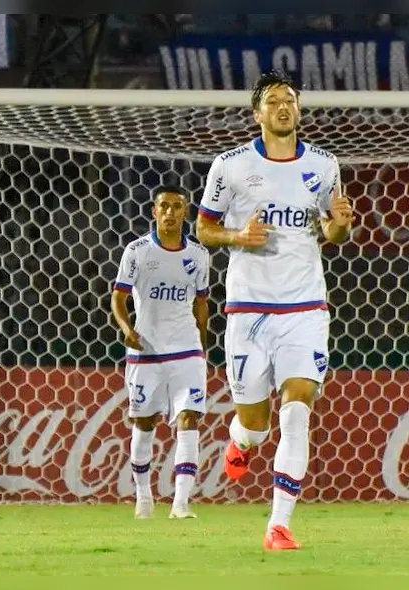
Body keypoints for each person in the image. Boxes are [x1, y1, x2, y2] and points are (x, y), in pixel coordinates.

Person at [196, 69, 354, 550]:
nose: (283, 106)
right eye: (273, 100)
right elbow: (203, 230)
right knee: (257, 426)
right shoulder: (230, 166)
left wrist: (341, 228)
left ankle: (278, 525)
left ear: (298, 110)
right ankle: (240, 440)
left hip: (306, 307)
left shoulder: (325, 166)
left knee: (297, 412)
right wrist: (237, 237)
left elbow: (332, 234)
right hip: (248, 311)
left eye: (290, 100)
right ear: (257, 113)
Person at [112, 187, 210, 520]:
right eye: (163, 207)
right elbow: (118, 298)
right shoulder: (136, 252)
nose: (169, 212)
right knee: (143, 423)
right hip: (147, 350)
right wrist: (127, 331)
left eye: (176, 207)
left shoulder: (198, 256)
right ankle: (143, 497)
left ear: (186, 213)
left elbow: (201, 303)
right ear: (154, 212)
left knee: (189, 418)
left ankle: (181, 503)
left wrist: (203, 344)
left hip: (186, 350)